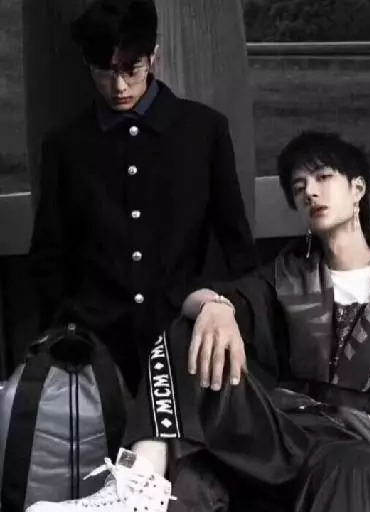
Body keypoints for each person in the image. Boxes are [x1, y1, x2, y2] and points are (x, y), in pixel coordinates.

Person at [27, 132, 370, 512]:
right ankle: (138, 482)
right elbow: (202, 299)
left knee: (349, 465)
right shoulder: (287, 275)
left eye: (323, 177)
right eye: (299, 187)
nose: (310, 193)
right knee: (192, 329)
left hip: (356, 440)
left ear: (358, 188)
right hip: (288, 430)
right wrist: (214, 306)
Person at [29, 0, 257, 395]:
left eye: (130, 70)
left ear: (154, 56)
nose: (119, 87)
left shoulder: (203, 131)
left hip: (187, 336)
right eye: (104, 72)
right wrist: (63, 331)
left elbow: (234, 241)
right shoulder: (66, 146)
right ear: (87, 64)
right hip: (95, 349)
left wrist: (229, 310)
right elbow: (50, 252)